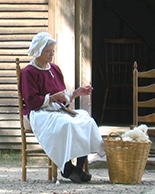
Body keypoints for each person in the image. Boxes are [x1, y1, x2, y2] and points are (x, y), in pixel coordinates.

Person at [19, 32, 105, 183]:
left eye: (53, 51)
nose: (52, 54)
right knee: (67, 124)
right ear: (38, 51)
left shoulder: (54, 69)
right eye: (48, 51)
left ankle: (77, 169)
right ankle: (66, 167)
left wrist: (77, 93)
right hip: (39, 112)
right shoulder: (28, 72)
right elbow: (31, 102)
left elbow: (62, 96)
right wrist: (52, 98)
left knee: (86, 120)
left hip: (56, 110)